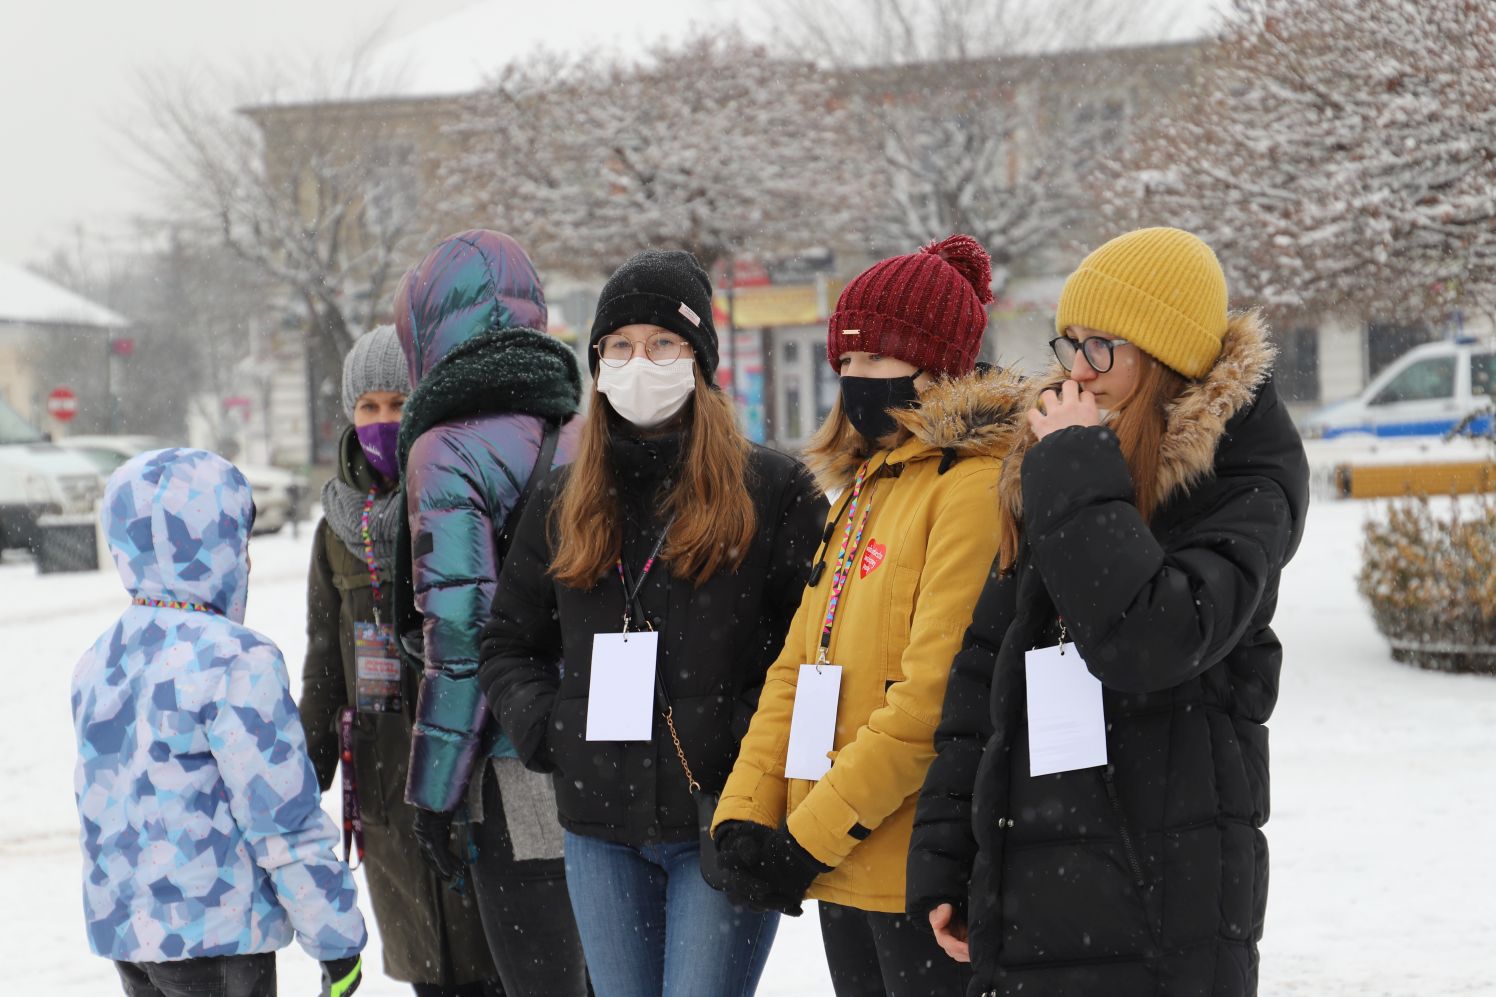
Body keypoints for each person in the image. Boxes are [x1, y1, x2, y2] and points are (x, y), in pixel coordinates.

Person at [906, 227, 1310, 996]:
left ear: (1164, 357)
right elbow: (984, 676)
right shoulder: (1061, 459)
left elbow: (1155, 637)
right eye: (1072, 343)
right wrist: (945, 856)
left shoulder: (1246, 470)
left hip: (1160, 893)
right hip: (1031, 877)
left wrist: (1076, 468)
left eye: (1105, 348)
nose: (1079, 372)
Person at [478, 249, 827, 997]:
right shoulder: (563, 497)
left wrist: (741, 735)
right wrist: (551, 730)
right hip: (598, 828)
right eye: (621, 346)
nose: (641, 362)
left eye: (663, 343)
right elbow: (510, 641)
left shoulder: (773, 489)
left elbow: (812, 644)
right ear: (598, 364)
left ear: (699, 360)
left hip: (724, 814)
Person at [711, 235, 1029, 997]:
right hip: (841, 867)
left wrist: (806, 838)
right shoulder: (862, 488)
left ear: (938, 365)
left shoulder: (970, 490)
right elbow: (797, 665)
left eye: (877, 359)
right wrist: (746, 809)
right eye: (844, 364)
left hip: (918, 877)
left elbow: (931, 702)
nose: (855, 381)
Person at [71, 447, 366, 997]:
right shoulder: (235, 660)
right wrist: (336, 937)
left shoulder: (100, 659)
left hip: (130, 938)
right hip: (218, 938)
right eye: (240, 542)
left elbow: (109, 808)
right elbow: (282, 817)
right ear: (218, 549)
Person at [395, 229, 588, 997]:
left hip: (513, 767)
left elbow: (461, 639)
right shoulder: (586, 429)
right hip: (610, 757)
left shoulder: (445, 450)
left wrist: (435, 792)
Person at [299, 326, 502, 996]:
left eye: (398, 401)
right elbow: (324, 665)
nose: (384, 421)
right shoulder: (336, 529)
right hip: (386, 778)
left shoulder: (469, 499)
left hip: (472, 768)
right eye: (369, 407)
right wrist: (304, 778)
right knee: (430, 971)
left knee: (499, 962)